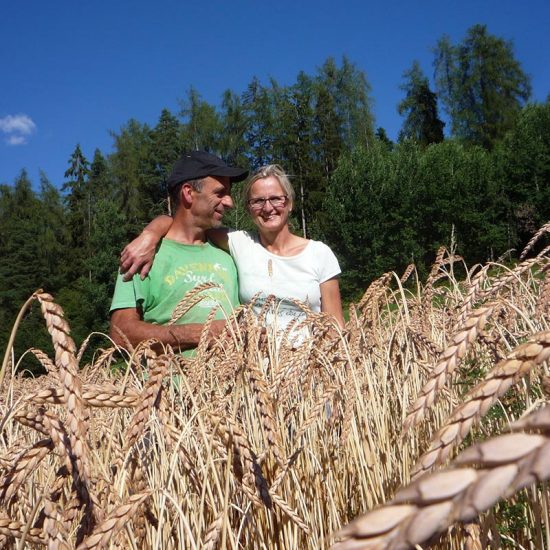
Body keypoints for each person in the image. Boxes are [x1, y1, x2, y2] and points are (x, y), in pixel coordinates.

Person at [120, 164, 345, 341]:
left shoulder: (319, 254)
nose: (268, 208)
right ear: (248, 209)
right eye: (258, 201)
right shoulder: (239, 243)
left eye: (276, 198)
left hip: (310, 379)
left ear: (290, 203)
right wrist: (150, 233)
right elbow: (185, 223)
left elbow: (335, 327)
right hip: (256, 382)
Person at [109, 151, 248, 356]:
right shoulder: (141, 255)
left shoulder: (230, 251)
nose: (229, 202)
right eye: (220, 193)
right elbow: (120, 334)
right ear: (188, 193)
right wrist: (201, 333)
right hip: (169, 386)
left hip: (234, 386)